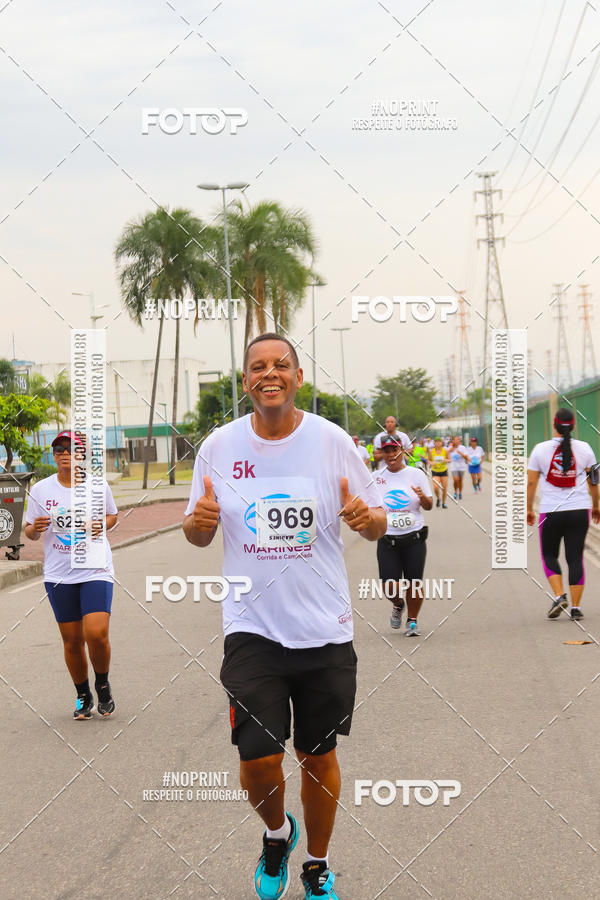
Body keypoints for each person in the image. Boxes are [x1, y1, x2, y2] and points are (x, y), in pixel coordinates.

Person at [183, 333, 386, 900]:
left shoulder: (331, 440)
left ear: (298, 376)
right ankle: (277, 834)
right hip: (252, 628)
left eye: (281, 365)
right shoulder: (219, 447)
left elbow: (376, 523)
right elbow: (197, 533)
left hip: (324, 628)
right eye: (257, 367)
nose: (269, 374)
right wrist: (197, 525)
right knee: (258, 759)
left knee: (317, 757)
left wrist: (365, 519)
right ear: (245, 380)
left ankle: (316, 866)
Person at [25, 431, 118, 719]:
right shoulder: (41, 490)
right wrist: (36, 527)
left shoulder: (97, 486)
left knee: (96, 633)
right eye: (60, 449)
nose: (65, 453)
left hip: (94, 567)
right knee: (72, 641)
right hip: (59, 574)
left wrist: (101, 525)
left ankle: (102, 683)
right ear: (53, 455)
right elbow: (28, 531)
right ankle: (82, 694)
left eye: (72, 449)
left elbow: (112, 516)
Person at [527, 408, 599, 620]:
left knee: (549, 555)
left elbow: (531, 482)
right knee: (575, 558)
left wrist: (529, 508)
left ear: (554, 425)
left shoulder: (540, 450)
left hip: (551, 511)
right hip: (579, 510)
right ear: (574, 426)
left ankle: (559, 596)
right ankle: (576, 608)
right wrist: (596, 505)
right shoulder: (585, 448)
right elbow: (594, 480)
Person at [375, 435, 432, 635]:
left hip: (414, 536)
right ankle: (398, 604)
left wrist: (422, 496)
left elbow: (429, 506)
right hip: (387, 538)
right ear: (382, 453)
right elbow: (370, 506)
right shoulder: (376, 477)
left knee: (414, 582)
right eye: (387, 451)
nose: (391, 455)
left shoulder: (416, 474)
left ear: (402, 450)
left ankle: (413, 621)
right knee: (389, 586)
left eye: (395, 450)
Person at [429, 438, 450, 508]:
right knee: (435, 487)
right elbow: (428, 460)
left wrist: (445, 460)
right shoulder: (431, 451)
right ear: (434, 443)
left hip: (444, 471)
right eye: (436, 442)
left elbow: (449, 459)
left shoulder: (445, 451)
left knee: (444, 488)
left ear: (442, 443)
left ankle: (444, 503)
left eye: (439, 442)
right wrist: (431, 463)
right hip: (435, 471)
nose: (438, 443)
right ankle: (438, 498)